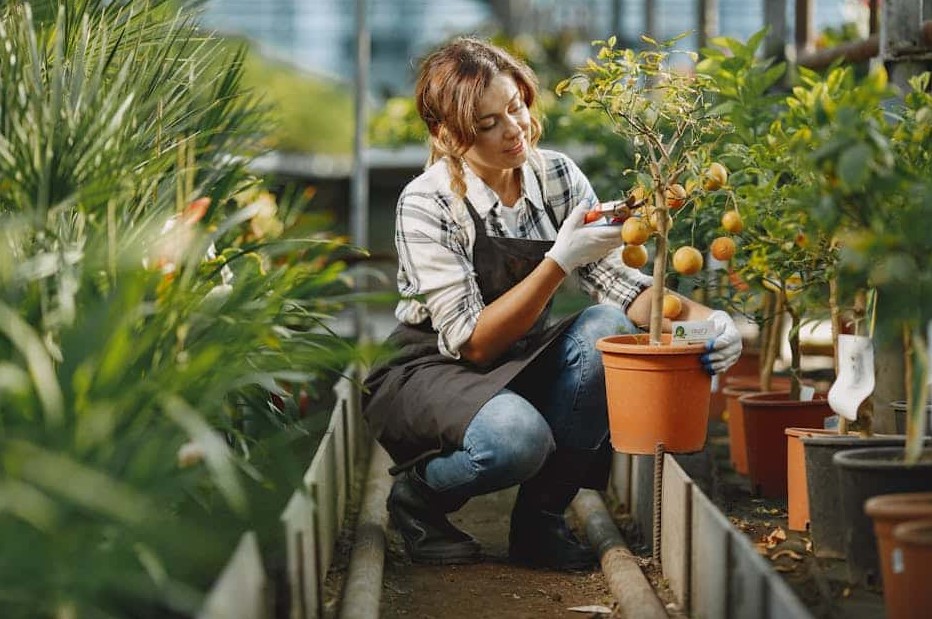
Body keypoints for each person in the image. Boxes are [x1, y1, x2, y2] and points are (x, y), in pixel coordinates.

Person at [362, 37, 742, 570]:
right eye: (488, 123)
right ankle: (419, 499)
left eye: (515, 106)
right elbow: (471, 342)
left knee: (604, 326)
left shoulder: (557, 176)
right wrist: (559, 260)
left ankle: (540, 522)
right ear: (448, 135)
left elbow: (621, 286)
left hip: (514, 356)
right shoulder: (427, 203)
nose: (514, 129)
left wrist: (710, 324)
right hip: (432, 367)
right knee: (516, 439)